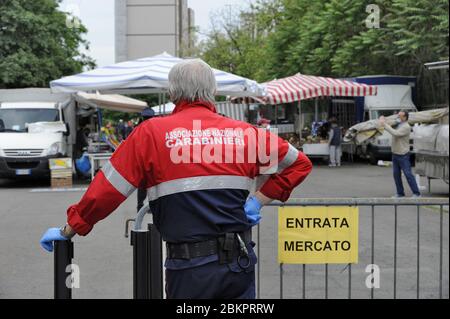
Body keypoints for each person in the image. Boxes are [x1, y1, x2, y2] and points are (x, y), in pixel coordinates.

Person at [40, 59, 313, 299]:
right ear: (213, 91)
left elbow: (104, 193)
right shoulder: (247, 134)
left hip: (189, 269)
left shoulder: (151, 134)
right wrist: (258, 201)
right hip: (239, 265)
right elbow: (299, 164)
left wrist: (69, 230)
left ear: (172, 93)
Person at [379, 111, 421, 198]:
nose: (398, 117)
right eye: (398, 115)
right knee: (396, 175)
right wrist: (384, 119)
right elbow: (391, 124)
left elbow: (396, 133)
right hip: (395, 154)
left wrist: (384, 124)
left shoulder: (406, 126)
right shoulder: (398, 124)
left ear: (405, 117)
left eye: (400, 116)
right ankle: (400, 193)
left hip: (403, 154)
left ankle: (417, 193)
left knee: (408, 174)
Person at [137, 108, 155, 212]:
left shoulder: (138, 128)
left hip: (143, 160)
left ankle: (140, 206)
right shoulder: (155, 127)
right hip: (152, 159)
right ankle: (147, 206)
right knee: (152, 185)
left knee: (142, 185)